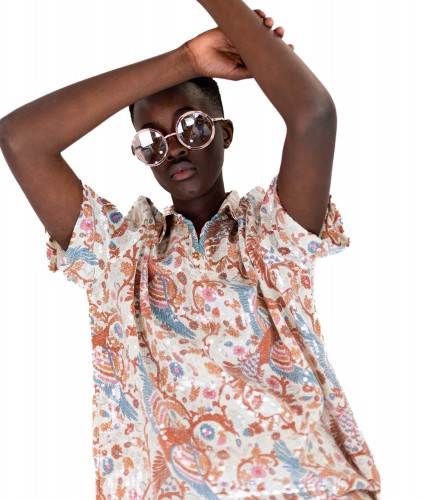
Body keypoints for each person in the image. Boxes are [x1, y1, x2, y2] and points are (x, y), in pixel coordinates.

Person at [0, 0, 381, 498]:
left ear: (225, 133)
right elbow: (20, 139)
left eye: (192, 127)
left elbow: (313, 115)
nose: (174, 147)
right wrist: (187, 60)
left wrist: (230, 16)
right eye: (152, 140)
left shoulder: (270, 235)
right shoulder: (118, 257)